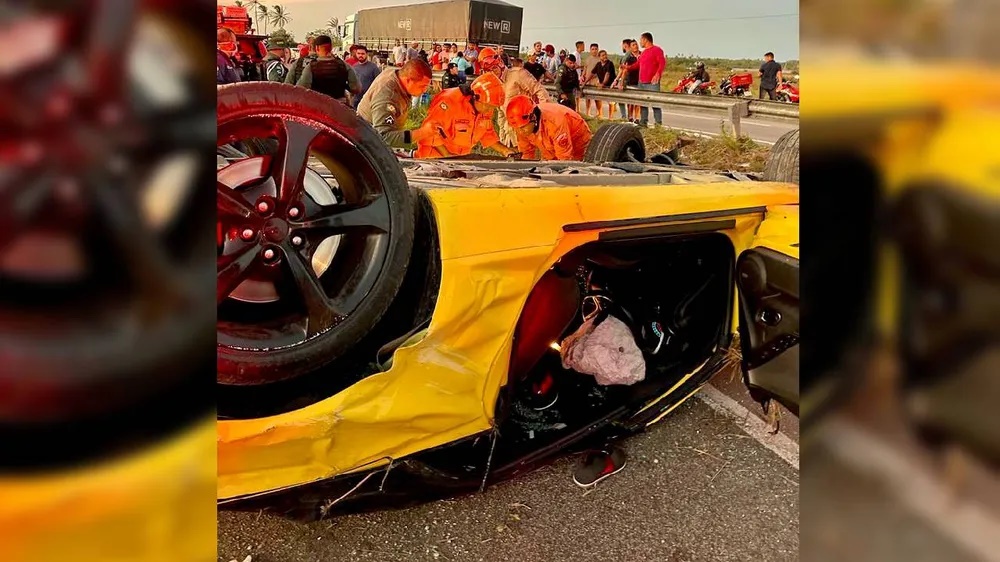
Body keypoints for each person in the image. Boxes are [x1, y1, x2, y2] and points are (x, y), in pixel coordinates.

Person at [414, 73, 514, 159]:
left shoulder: (485, 107)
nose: (489, 110)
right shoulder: (450, 101)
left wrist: (505, 151)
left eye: (493, 107)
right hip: (433, 157)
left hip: (459, 159)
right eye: (488, 106)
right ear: (476, 97)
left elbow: (486, 133)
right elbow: (429, 132)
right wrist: (448, 156)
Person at [480, 46, 550, 147]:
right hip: (510, 127)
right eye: (488, 70)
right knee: (513, 156)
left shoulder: (517, 74)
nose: (493, 72)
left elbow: (539, 90)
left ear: (500, 63)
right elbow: (500, 110)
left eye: (494, 68)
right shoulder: (495, 85)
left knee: (531, 155)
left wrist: (544, 116)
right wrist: (502, 134)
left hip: (527, 123)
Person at [357, 59, 435, 149]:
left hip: (374, 132)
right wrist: (422, 133)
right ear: (408, 80)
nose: (424, 90)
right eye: (422, 86)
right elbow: (384, 137)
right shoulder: (387, 96)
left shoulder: (397, 74)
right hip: (368, 141)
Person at [505, 95, 593, 161]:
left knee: (576, 169)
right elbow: (526, 153)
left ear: (533, 118)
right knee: (549, 162)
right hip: (550, 140)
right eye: (516, 128)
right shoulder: (522, 124)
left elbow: (564, 159)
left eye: (523, 127)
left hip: (577, 140)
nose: (520, 132)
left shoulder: (555, 123)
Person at [296, 36, 361, 105]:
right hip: (340, 107)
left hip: (319, 107)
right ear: (331, 47)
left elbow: (301, 89)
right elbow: (356, 88)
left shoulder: (311, 67)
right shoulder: (343, 65)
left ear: (317, 48)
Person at [637, 32, 665, 127]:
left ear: (645, 40)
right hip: (642, 82)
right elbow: (637, 64)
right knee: (643, 104)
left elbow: (662, 63)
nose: (640, 42)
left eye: (641, 40)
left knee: (655, 103)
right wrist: (626, 67)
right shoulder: (643, 52)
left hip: (652, 82)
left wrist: (658, 74)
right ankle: (643, 122)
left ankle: (658, 124)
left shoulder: (657, 50)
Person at [618, 39, 640, 122]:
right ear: (630, 47)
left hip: (640, 81)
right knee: (630, 102)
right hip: (631, 80)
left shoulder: (642, 55)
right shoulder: (629, 58)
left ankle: (637, 118)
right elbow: (624, 70)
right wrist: (621, 82)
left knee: (638, 101)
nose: (636, 46)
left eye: (636, 44)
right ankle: (630, 117)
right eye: (633, 45)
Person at [591, 50, 615, 118]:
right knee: (597, 97)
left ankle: (611, 117)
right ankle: (600, 114)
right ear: (599, 57)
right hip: (602, 84)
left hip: (610, 85)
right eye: (603, 55)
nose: (605, 56)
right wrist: (585, 81)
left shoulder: (609, 63)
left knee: (611, 101)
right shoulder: (598, 64)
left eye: (605, 54)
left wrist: (603, 83)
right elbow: (592, 73)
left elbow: (607, 74)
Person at [580, 43, 602, 117]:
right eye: (592, 49)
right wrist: (583, 76)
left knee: (597, 98)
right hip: (587, 81)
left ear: (598, 50)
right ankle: (588, 112)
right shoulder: (588, 59)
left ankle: (599, 113)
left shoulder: (599, 59)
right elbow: (585, 69)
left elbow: (600, 71)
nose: (594, 51)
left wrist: (591, 76)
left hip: (596, 80)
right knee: (587, 98)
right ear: (590, 50)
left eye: (596, 49)